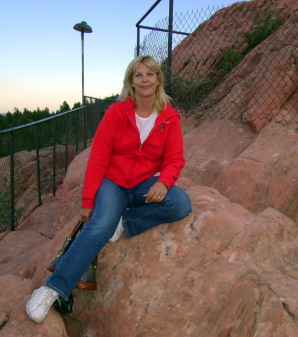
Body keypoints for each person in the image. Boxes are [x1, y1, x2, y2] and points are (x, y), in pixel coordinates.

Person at [26, 55, 192, 323]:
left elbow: (175, 159)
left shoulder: (170, 118)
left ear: (158, 79)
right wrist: (88, 199)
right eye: (138, 75)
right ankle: (52, 288)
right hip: (112, 183)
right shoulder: (116, 113)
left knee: (181, 203)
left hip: (144, 183)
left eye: (150, 74)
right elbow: (99, 158)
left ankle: (124, 222)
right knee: (101, 223)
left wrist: (163, 182)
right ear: (131, 82)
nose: (145, 79)